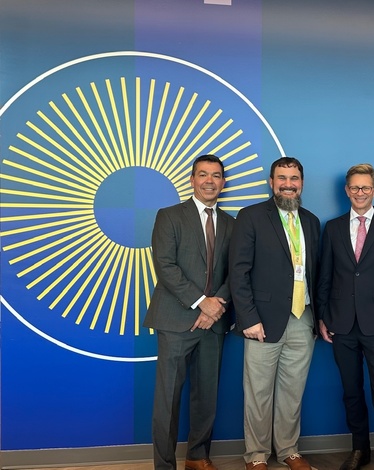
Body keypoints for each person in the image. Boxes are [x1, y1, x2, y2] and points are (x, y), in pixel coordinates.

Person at [228, 157, 320, 470]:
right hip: (262, 321)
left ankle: (288, 450)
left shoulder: (310, 220)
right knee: (258, 392)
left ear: (302, 183)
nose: (288, 184)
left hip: (302, 318)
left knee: (292, 392)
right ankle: (256, 455)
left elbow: (316, 273)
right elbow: (238, 272)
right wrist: (248, 318)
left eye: (294, 178)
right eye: (282, 178)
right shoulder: (251, 216)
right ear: (271, 182)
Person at [316, 163, 374, 470]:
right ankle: (360, 450)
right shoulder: (332, 228)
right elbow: (325, 278)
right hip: (341, 324)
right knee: (351, 392)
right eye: (355, 187)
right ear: (347, 190)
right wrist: (322, 317)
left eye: (365, 187)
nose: (360, 193)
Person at [144, 154, 234, 470]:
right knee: (167, 400)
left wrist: (215, 307)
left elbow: (235, 272)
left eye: (216, 175)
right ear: (192, 179)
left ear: (224, 182)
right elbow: (165, 266)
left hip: (214, 323)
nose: (210, 180)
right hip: (176, 319)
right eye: (203, 174)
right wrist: (200, 302)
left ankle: (198, 456)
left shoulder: (232, 223)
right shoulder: (169, 216)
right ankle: (164, 465)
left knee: (206, 396)